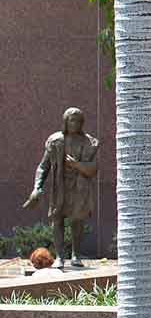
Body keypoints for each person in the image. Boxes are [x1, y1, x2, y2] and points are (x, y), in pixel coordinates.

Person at [24, 107, 99, 268]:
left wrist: (76, 165)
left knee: (77, 221)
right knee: (57, 219)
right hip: (60, 186)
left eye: (79, 120)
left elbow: (93, 169)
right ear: (65, 121)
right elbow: (43, 167)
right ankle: (59, 256)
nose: (75, 123)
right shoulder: (56, 141)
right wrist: (37, 188)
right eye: (72, 120)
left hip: (80, 188)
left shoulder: (89, 142)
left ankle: (76, 255)